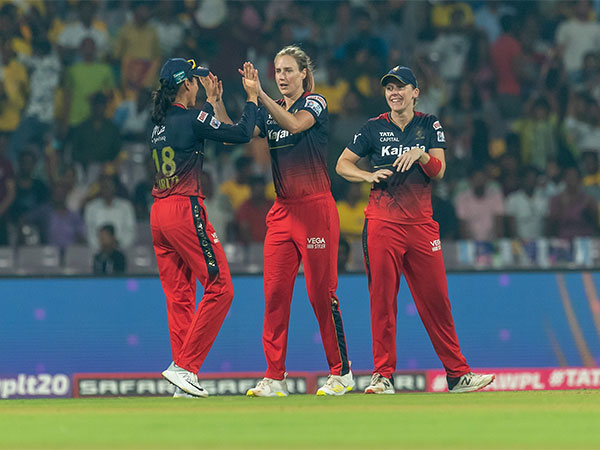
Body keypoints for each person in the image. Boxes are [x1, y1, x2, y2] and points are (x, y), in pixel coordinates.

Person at [336, 65, 495, 393]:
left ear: (415, 92)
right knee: (383, 302)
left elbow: (439, 171)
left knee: (437, 301)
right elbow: (342, 164)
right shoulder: (372, 128)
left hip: (422, 226)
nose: (394, 93)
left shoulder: (429, 124)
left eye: (400, 87)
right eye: (389, 88)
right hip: (382, 224)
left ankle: (458, 375)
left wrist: (421, 154)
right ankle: (383, 376)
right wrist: (366, 176)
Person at [244, 46, 354, 398]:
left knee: (321, 294)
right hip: (282, 212)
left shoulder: (315, 102)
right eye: (278, 70)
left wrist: (260, 95)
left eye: (288, 70)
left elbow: (294, 124)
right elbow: (242, 132)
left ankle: (341, 373)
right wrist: (216, 103)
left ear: (304, 74)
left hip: (315, 209)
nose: (282, 76)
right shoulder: (270, 109)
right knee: (274, 294)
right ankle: (274, 377)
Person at [151, 58, 258, 398]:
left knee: (180, 298)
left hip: (159, 213)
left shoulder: (158, 124)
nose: (198, 84)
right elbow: (241, 134)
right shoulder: (191, 118)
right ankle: (185, 367)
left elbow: (201, 128)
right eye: (195, 80)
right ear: (186, 84)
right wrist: (252, 98)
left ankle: (183, 378)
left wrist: (212, 103)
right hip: (184, 208)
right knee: (221, 288)